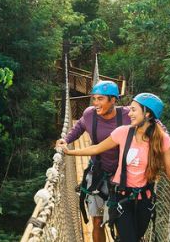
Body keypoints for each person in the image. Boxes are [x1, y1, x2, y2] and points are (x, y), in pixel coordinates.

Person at [63, 92, 170, 242]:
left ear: (147, 114)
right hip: (121, 198)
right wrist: (69, 152)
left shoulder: (162, 139)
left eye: (134, 110)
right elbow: (96, 148)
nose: (130, 114)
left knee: (136, 237)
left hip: (144, 200)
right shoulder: (123, 132)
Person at [55, 81, 129, 242]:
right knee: (97, 221)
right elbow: (78, 128)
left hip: (123, 177)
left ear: (113, 100)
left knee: (121, 221)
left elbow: (152, 122)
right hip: (97, 174)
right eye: (94, 98)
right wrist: (65, 140)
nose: (95, 103)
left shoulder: (127, 115)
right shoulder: (90, 114)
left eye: (100, 99)